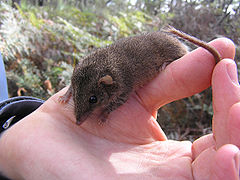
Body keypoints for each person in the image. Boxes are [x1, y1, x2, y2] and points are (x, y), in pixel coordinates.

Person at [0, 38, 238, 180]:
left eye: (93, 101)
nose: (80, 119)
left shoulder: (117, 81)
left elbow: (120, 95)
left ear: (108, 85)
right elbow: (77, 82)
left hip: (162, 51)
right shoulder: (85, 74)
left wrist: (104, 111)